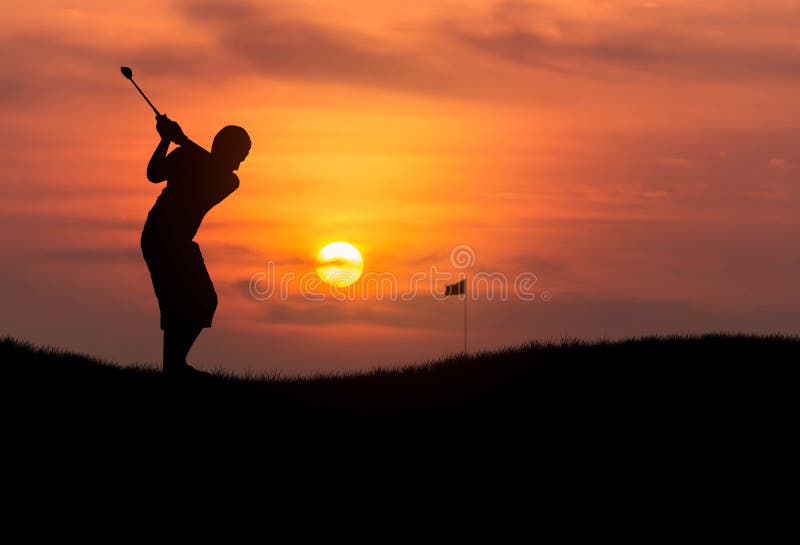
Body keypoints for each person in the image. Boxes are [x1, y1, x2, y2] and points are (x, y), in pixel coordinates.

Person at [141, 114, 251, 377]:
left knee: (200, 301)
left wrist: (180, 140)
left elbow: (212, 171)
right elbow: (154, 174)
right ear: (227, 149)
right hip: (160, 238)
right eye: (242, 153)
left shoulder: (228, 181)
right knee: (184, 302)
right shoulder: (189, 156)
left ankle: (174, 366)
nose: (244, 160)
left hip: (177, 241)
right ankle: (174, 368)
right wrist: (166, 140)